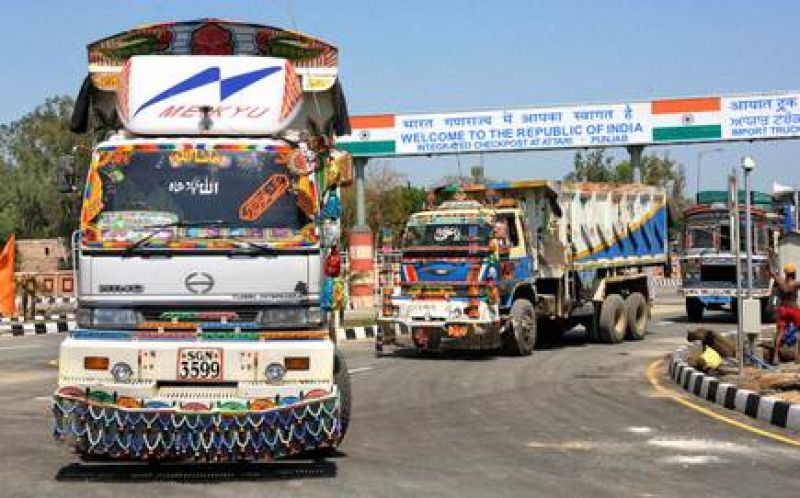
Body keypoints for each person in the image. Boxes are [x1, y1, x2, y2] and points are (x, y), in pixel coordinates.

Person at [767, 261, 800, 363]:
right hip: (793, 310)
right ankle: (798, 357)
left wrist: (768, 258)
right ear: (794, 273)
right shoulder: (796, 284)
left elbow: (770, 272)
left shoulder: (781, 282)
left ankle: (775, 357)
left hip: (782, 310)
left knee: (780, 333)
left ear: (785, 273)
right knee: (799, 332)